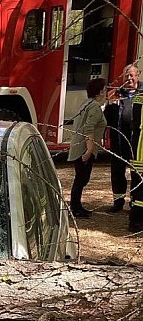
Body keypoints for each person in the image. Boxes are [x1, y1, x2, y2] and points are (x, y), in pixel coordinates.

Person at [104, 64, 143, 212]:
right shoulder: (116, 94)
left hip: (138, 142)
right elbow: (106, 118)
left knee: (136, 172)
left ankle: (135, 201)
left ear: (137, 75)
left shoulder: (142, 92)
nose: (129, 79)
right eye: (126, 76)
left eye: (132, 75)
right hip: (119, 140)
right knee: (117, 171)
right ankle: (118, 202)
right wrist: (109, 104)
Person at [67, 77, 107, 219]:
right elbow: (88, 128)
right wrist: (89, 150)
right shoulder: (94, 107)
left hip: (78, 146)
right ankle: (75, 208)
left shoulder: (86, 103)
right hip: (84, 148)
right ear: (100, 91)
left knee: (81, 178)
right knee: (81, 178)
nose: (106, 91)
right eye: (104, 89)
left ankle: (77, 206)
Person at [128, 90, 143, 232]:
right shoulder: (140, 99)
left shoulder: (138, 98)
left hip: (137, 148)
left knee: (136, 184)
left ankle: (134, 215)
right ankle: (136, 220)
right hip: (141, 150)